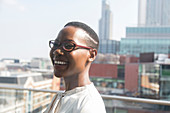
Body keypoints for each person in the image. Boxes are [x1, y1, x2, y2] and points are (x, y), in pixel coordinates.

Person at [44, 21, 106, 113]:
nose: (57, 51)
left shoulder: (89, 106)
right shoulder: (61, 96)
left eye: (69, 46)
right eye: (56, 44)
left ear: (91, 55)